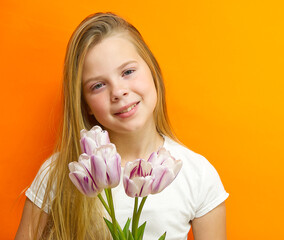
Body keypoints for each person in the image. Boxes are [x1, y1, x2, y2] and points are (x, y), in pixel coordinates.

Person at [15, 12, 228, 240]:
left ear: (153, 71)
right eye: (98, 85)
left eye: (128, 72)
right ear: (84, 104)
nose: (118, 92)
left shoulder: (197, 174)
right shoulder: (61, 172)